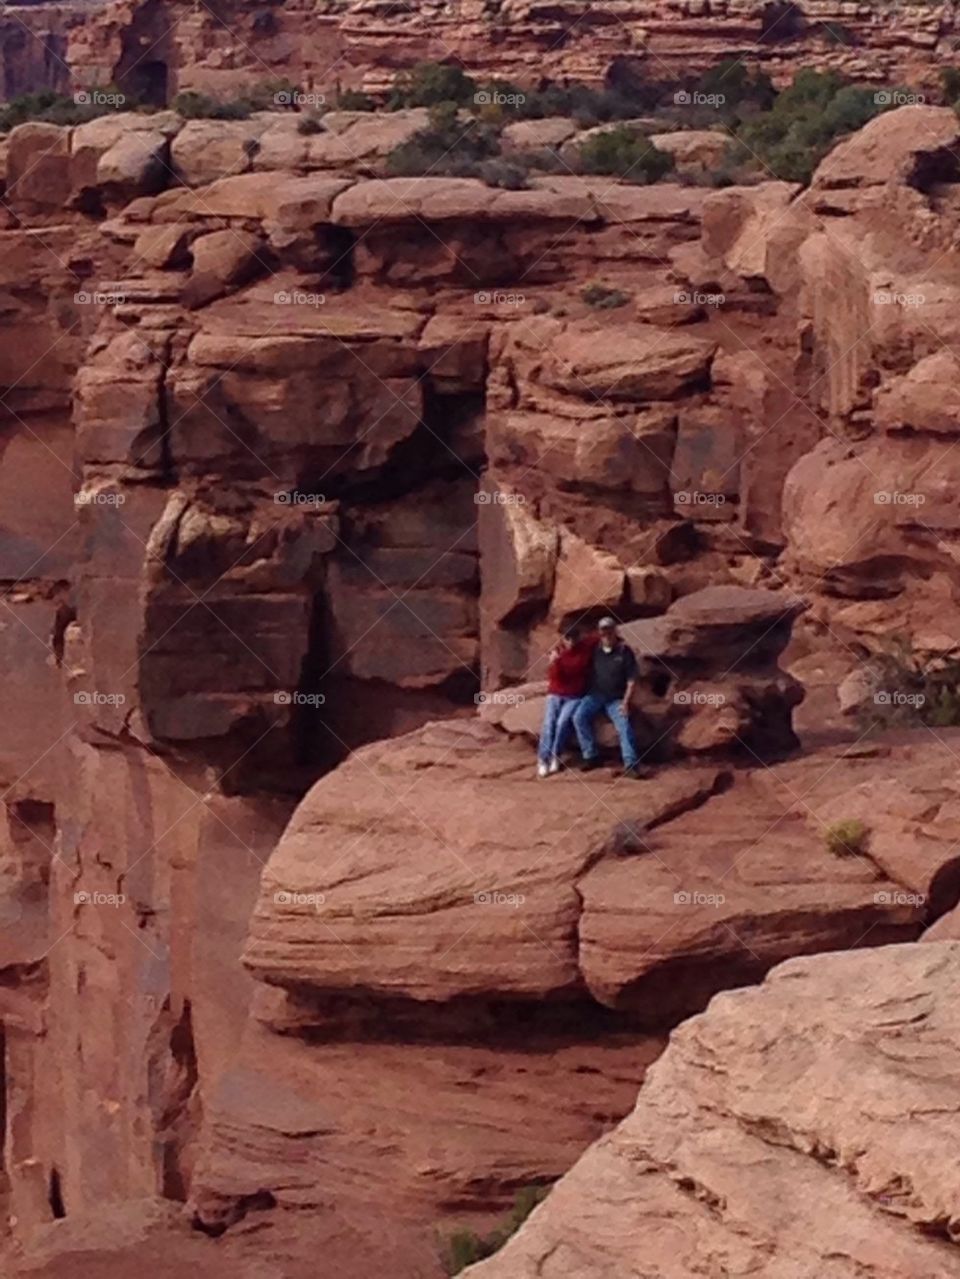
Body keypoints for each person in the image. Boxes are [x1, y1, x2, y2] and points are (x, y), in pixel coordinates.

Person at [573, 616, 646, 778]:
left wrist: (626, 702)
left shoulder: (624, 651)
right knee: (578, 717)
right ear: (600, 633)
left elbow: (631, 680)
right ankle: (591, 756)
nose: (607, 634)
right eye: (603, 631)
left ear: (615, 631)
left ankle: (631, 764)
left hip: (616, 698)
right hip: (595, 695)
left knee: (624, 725)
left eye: (609, 630)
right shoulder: (595, 650)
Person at [536, 623, 597, 778]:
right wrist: (555, 663)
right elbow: (556, 677)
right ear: (563, 639)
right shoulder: (557, 653)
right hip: (556, 693)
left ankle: (555, 756)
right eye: (568, 639)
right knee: (549, 723)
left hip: (575, 695)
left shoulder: (584, 647)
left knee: (563, 723)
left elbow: (596, 637)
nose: (571, 642)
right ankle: (544, 759)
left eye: (573, 638)